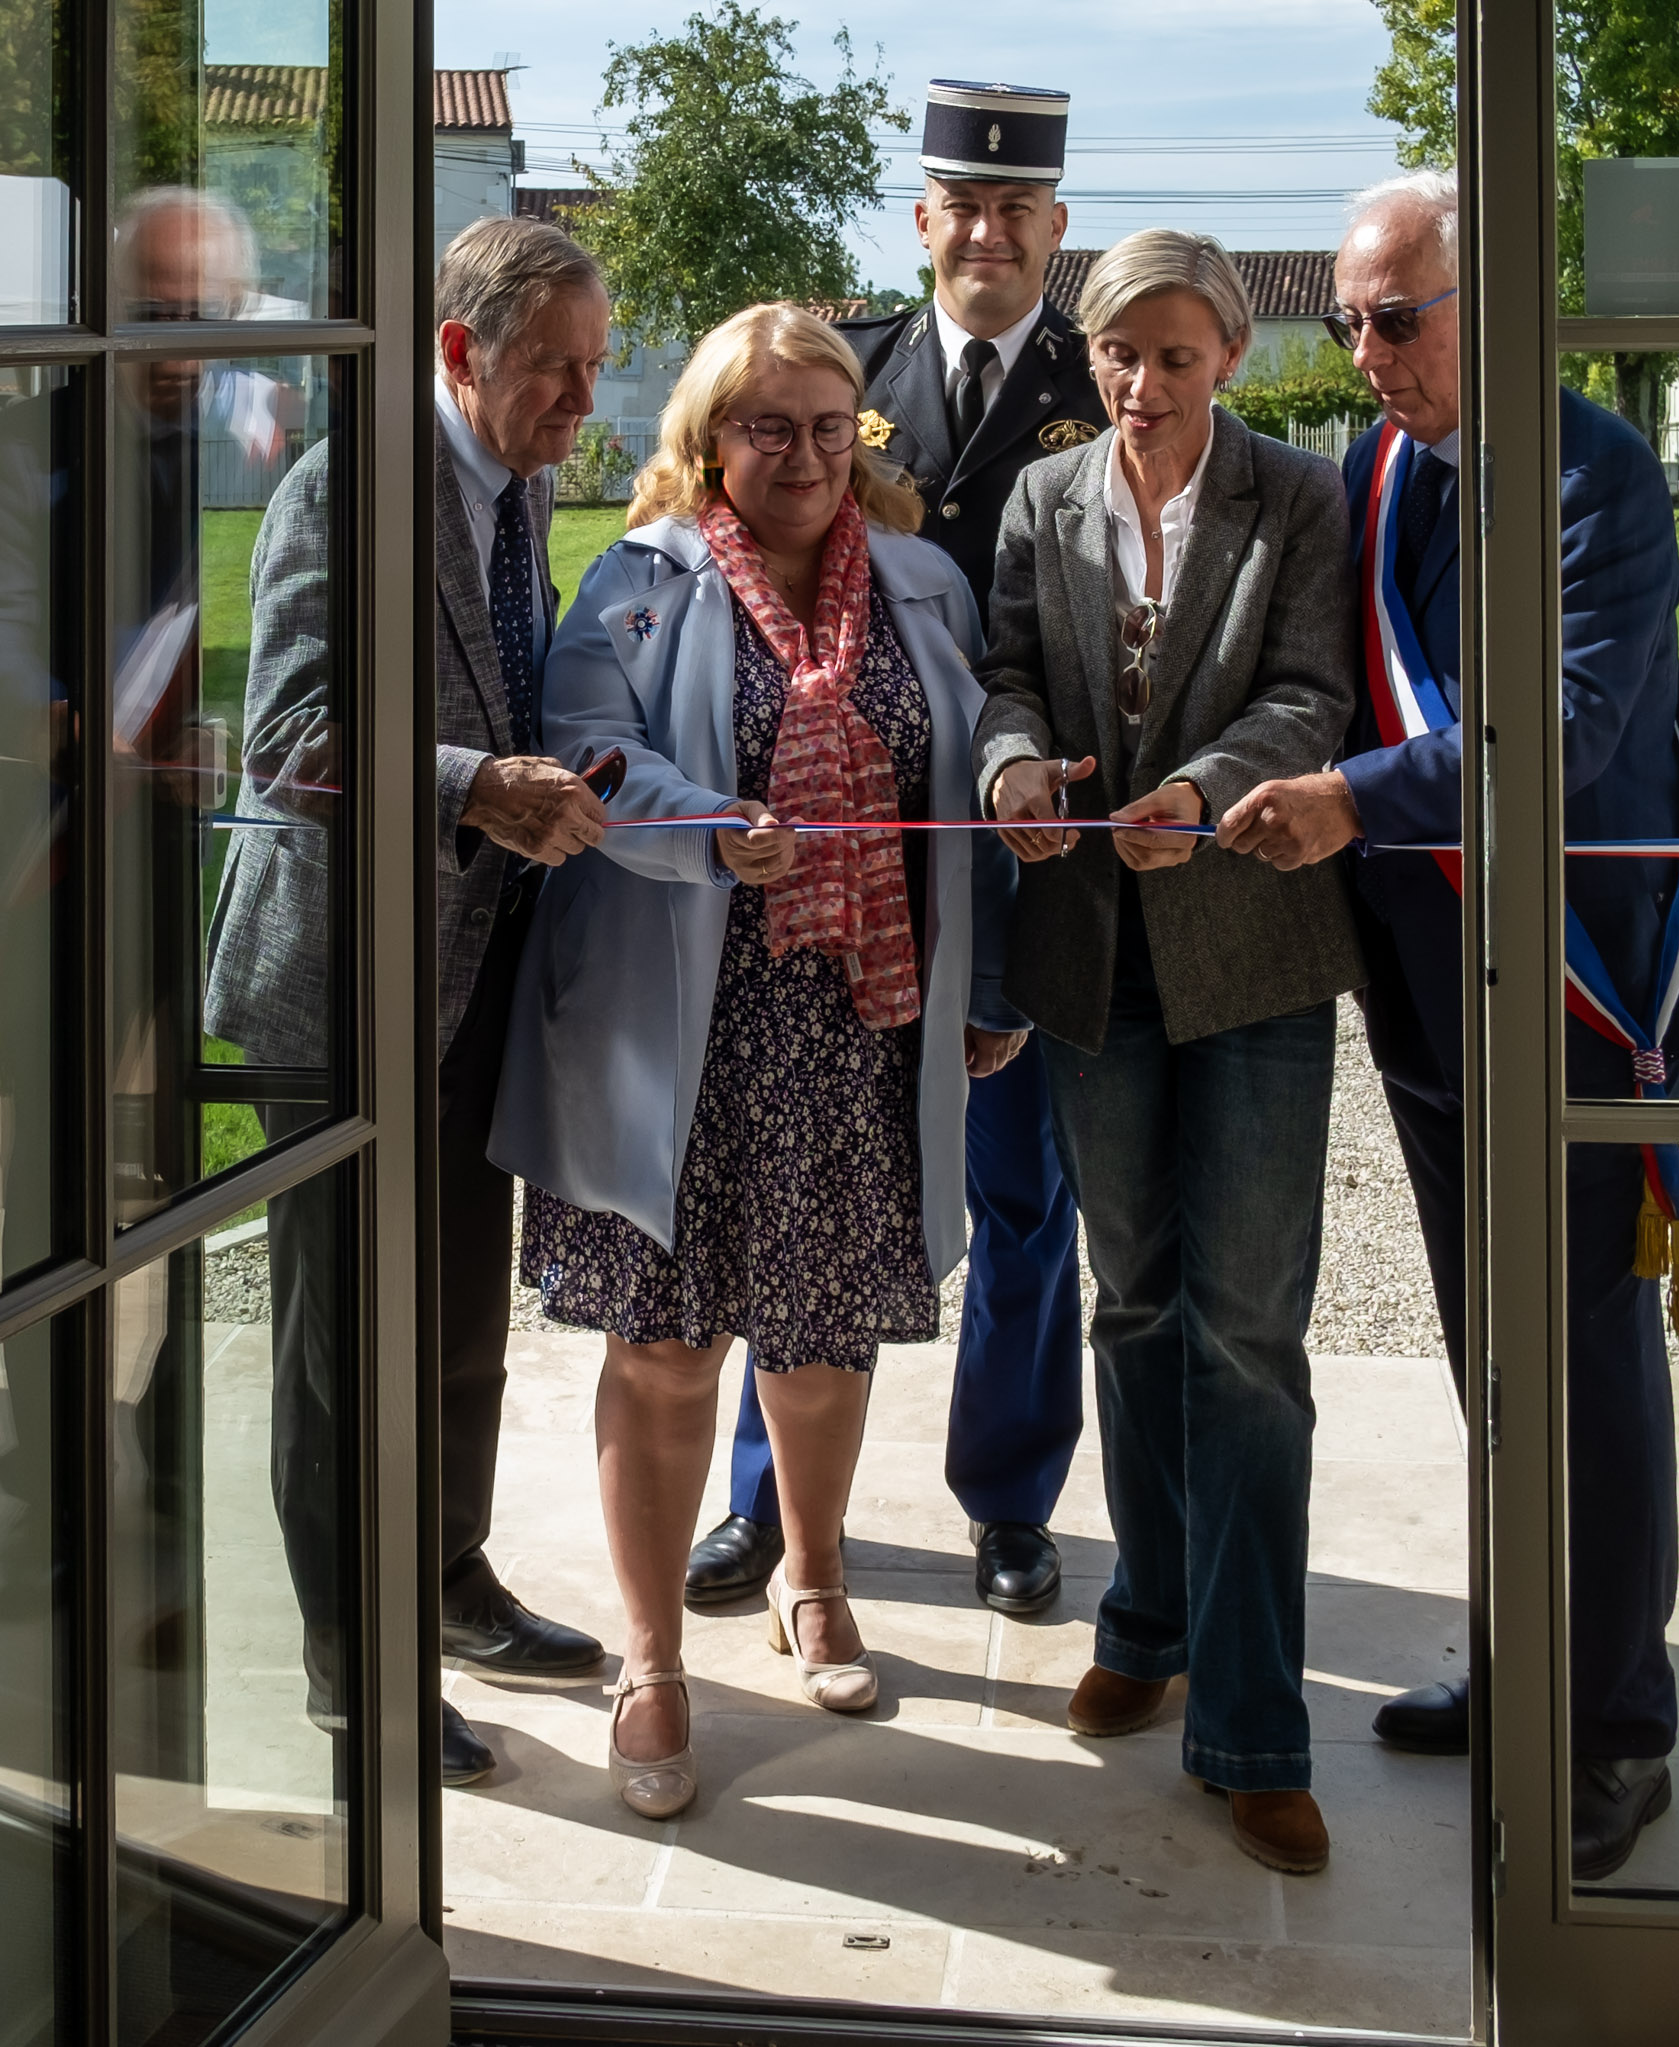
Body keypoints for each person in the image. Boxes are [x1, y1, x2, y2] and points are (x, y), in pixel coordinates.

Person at [1216, 170, 1679, 1882]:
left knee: (1582, 1361)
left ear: (1489, 300)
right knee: (1487, 1359)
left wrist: (1352, 799)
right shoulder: (1380, 471)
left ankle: (1620, 1731)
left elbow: (1563, 730)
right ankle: (1530, 1670)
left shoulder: (1598, 472)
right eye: (1350, 318)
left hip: (1574, 989)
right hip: (1433, 994)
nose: (1364, 351)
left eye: (1394, 317)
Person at [490, 303, 1015, 1820]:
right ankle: (654, 1662)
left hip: (858, 1035)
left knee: (828, 1339)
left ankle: (818, 1577)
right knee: (662, 1358)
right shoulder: (637, 584)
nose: (798, 454)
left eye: (826, 424)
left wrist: (999, 989)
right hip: (680, 1029)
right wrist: (712, 827)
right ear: (710, 438)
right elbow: (589, 748)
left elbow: (966, 799)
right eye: (764, 424)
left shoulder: (927, 585)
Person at [205, 213, 616, 1787]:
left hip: (472, 977)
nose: (586, 401)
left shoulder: (520, 490)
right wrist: (474, 786)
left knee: (454, 1324)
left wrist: (554, 783)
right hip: (342, 995)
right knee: (338, 1356)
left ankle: (449, 1584)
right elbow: (293, 738)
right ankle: (348, 1671)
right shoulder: (346, 486)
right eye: (556, 370)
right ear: (460, 353)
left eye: (592, 366)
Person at [687, 79, 1104, 1622]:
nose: (988, 231)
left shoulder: (1098, 371)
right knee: (796, 1178)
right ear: (922, 219)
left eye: (1019, 211)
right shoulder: (841, 375)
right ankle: (769, 1514)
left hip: (1029, 844)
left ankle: (1007, 1500)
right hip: (843, 858)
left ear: (1056, 229)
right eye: (963, 206)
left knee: (1019, 1197)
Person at [975, 231, 1364, 1876]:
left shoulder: (1302, 497)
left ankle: (1257, 1724)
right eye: (1120, 357)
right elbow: (1000, 673)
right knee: (1129, 1300)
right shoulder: (1042, 502)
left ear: (1237, 359)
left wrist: (1199, 795)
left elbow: (1312, 695)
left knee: (1249, 1335)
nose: (1141, 387)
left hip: (1256, 952)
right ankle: (1144, 1621)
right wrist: (1007, 767)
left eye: (1176, 359)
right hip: (1093, 960)